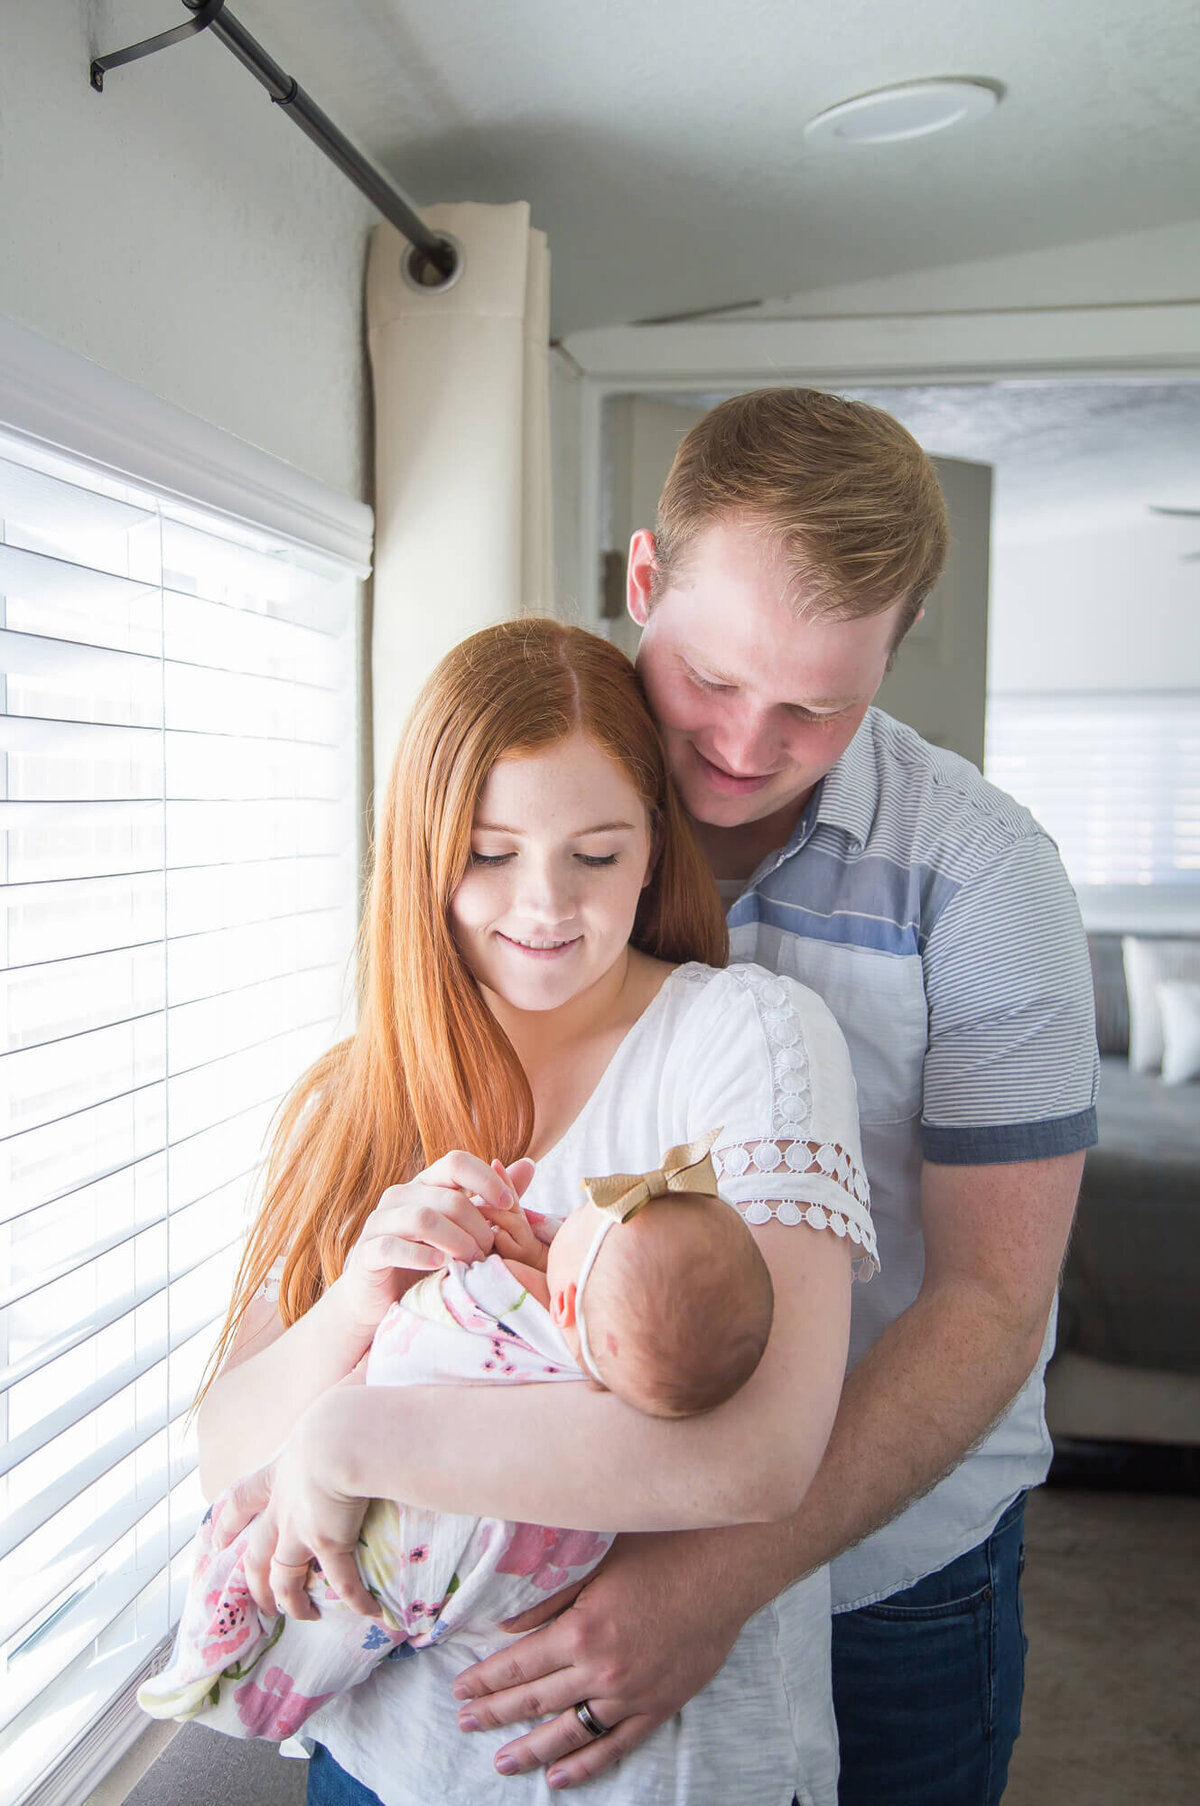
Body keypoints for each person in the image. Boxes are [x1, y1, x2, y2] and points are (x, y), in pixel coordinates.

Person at [451, 390, 1098, 1805]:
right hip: (542, 1533)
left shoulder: (984, 877)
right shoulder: (515, 803)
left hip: (886, 1569)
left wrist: (712, 1578)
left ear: (893, 653)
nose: (747, 745)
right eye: (714, 679)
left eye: (819, 705)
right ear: (643, 581)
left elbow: (992, 1301)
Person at [195, 617, 878, 1805]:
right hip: (385, 1768)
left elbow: (763, 1456)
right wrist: (360, 1298)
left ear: (655, 851)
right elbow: (227, 1448)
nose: (546, 905)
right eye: (492, 854)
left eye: (596, 855)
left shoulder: (745, 1037)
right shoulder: (358, 1099)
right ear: (422, 857)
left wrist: (357, 1442)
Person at [142, 1140, 773, 1739]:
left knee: (303, 1592)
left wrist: (500, 1269)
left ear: (566, 1300)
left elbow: (466, 1314)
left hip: (424, 1570)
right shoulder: (631, 1361)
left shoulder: (501, 1302)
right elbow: (220, 1454)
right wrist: (352, 1304)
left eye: (574, 1223)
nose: (562, 1218)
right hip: (422, 1686)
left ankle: (218, 1679)